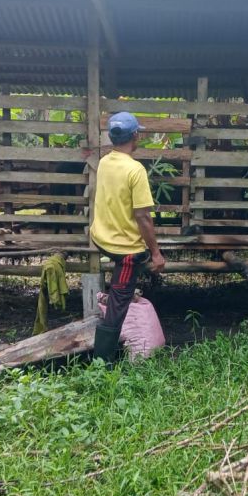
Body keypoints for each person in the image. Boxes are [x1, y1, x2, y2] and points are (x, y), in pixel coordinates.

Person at [90, 111, 166, 363]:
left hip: (101, 238)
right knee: (119, 302)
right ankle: (102, 362)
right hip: (124, 250)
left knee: (123, 290)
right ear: (135, 135)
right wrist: (155, 253)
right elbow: (143, 217)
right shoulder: (135, 170)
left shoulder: (104, 162)